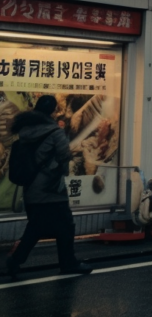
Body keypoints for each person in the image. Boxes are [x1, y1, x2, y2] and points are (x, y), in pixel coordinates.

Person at [6, 96, 92, 279]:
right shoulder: (55, 132)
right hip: (51, 190)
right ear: (53, 111)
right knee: (65, 226)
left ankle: (15, 262)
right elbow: (64, 157)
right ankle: (67, 263)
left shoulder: (25, 130)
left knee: (37, 227)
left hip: (30, 188)